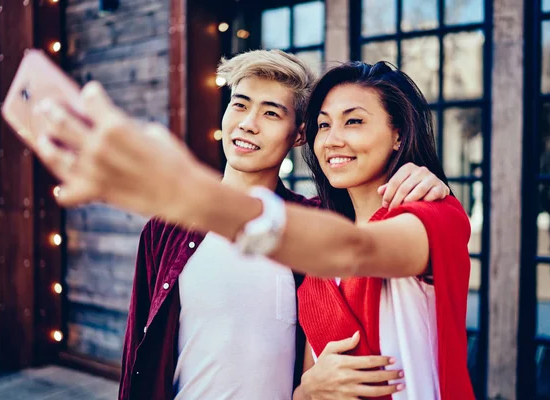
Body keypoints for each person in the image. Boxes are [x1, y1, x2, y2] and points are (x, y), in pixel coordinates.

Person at [34, 51, 451, 399]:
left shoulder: (320, 225)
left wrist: (429, 184)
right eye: (240, 104)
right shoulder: (165, 229)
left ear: (298, 135)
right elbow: (138, 356)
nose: (249, 123)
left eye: (271, 112)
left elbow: (356, 245)